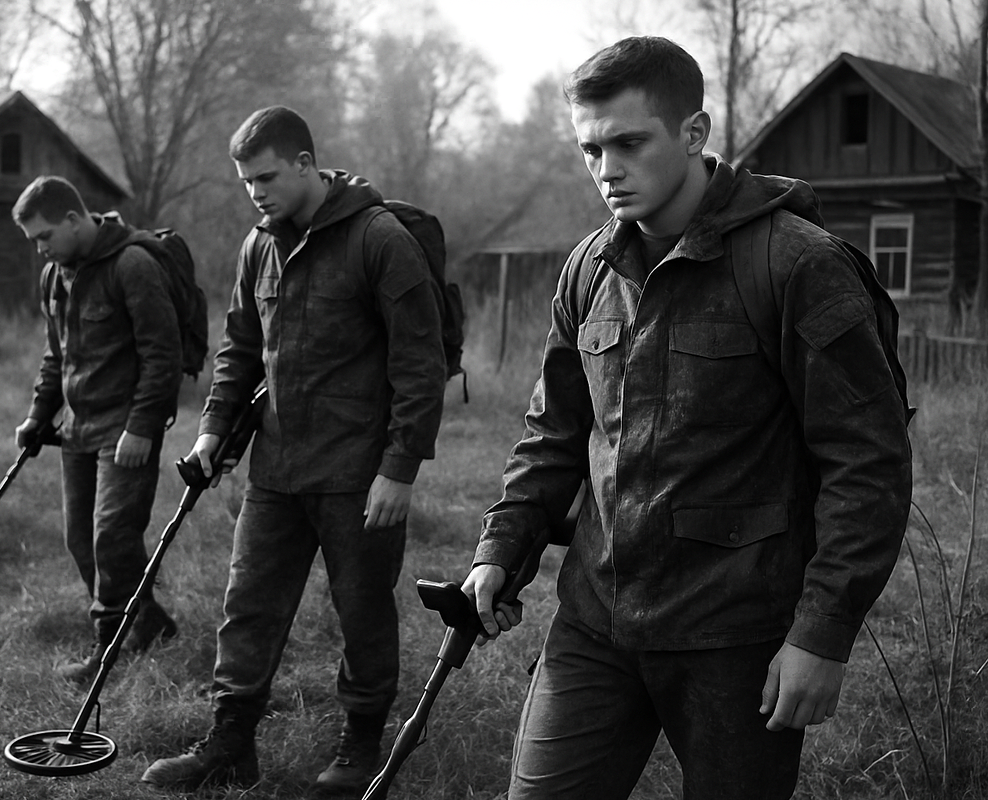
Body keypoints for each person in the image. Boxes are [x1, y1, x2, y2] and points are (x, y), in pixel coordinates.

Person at [462, 36, 912, 800]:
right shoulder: (589, 269)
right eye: (590, 149)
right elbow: (554, 435)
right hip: (595, 620)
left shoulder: (797, 264)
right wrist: (501, 548)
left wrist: (822, 633)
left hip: (735, 637)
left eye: (629, 143)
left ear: (693, 132)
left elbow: (867, 463)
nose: (607, 169)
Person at [140, 106, 447, 794]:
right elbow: (239, 349)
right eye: (247, 181)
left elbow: (419, 363)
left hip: (358, 473)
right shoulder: (259, 246)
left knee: (362, 611)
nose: (256, 192)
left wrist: (399, 469)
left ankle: (361, 746)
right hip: (276, 467)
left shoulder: (379, 238)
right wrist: (213, 430)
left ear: (306, 164)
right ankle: (230, 745)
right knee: (247, 604)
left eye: (267, 177)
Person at [13, 175, 182, 683]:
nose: (41, 250)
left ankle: (106, 652)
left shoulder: (133, 265)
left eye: (45, 237)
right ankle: (148, 624)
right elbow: (57, 355)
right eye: (34, 241)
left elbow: (163, 354)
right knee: (80, 540)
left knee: (112, 538)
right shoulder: (56, 276)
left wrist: (142, 427)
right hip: (78, 428)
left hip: (125, 430)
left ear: (73, 219)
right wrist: (37, 415)